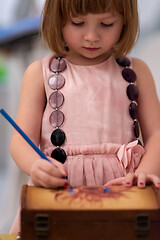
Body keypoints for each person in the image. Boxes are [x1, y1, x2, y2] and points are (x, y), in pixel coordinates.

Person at [10, 0, 160, 234]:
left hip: (123, 197)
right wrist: (35, 165)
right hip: (58, 194)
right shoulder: (38, 74)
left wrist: (144, 173)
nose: (92, 36)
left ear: (125, 22)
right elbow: (20, 140)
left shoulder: (137, 73)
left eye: (107, 23)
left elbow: (157, 135)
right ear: (57, 19)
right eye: (78, 23)